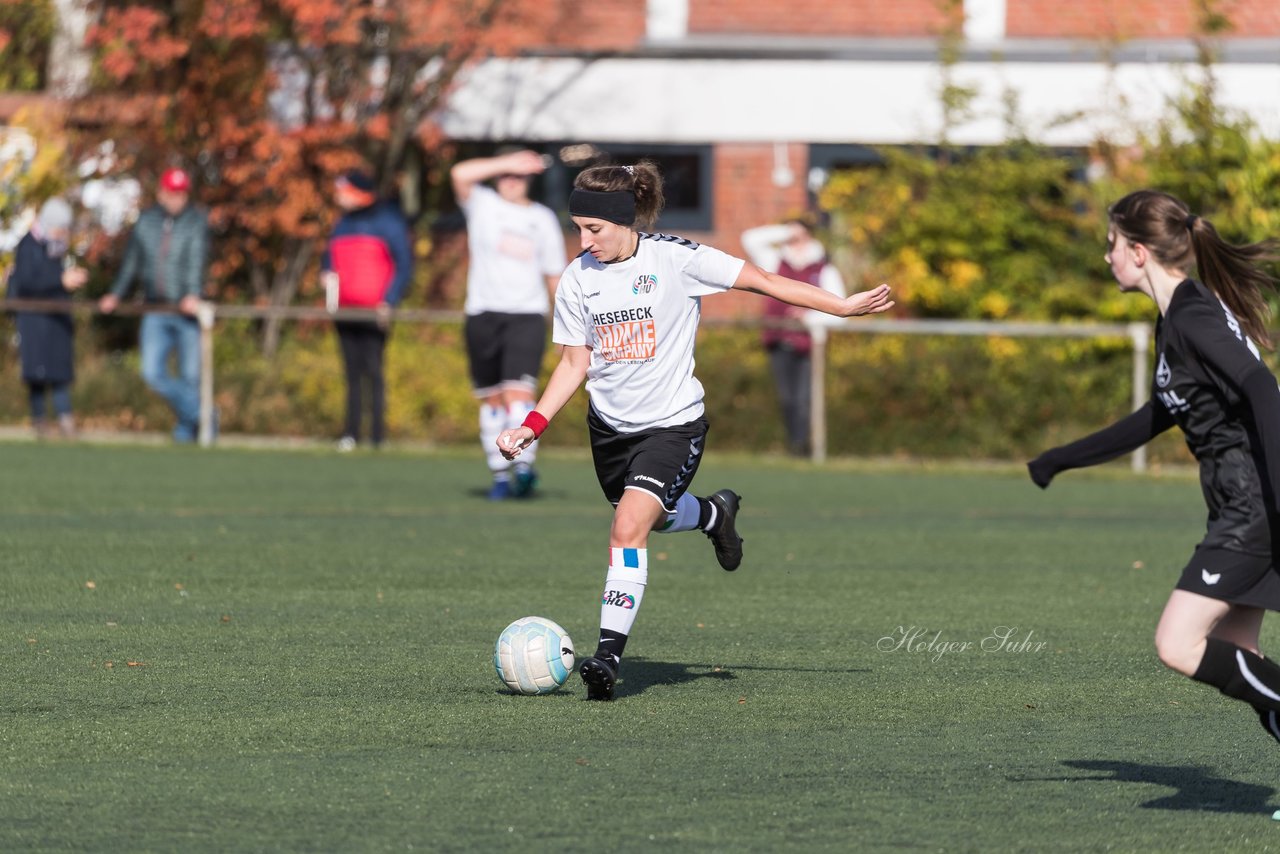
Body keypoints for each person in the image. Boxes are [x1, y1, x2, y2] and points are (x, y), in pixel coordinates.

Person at [497, 162, 894, 700]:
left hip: (673, 425)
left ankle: (608, 656)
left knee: (627, 529)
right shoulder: (577, 279)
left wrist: (840, 307)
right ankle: (713, 513)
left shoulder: (677, 258)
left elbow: (765, 280)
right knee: (652, 522)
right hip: (610, 430)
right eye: (578, 229)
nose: (584, 241)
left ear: (624, 220)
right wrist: (533, 424)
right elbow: (573, 364)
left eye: (594, 229)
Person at [1028, 189, 1280, 747]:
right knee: (1240, 654)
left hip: (1252, 510)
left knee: (1178, 644)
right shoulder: (1178, 319)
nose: (1106, 256)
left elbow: (1263, 387)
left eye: (1111, 243)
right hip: (1243, 507)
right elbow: (1159, 415)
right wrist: (1060, 460)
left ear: (1139, 252)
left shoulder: (1192, 315)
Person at [451, 148, 567, 499]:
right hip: (483, 312)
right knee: (492, 400)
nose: (511, 181)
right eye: (506, 175)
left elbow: (554, 275)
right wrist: (506, 162)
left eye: (518, 175)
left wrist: (566, 327)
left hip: (526, 314)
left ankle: (524, 466)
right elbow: (459, 173)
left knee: (519, 394)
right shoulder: (483, 204)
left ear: (529, 180)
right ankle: (499, 474)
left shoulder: (542, 218)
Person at [99, 167, 210, 443]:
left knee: (190, 378)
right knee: (152, 373)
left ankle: (187, 431)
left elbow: (197, 259)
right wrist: (116, 293)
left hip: (185, 311)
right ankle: (203, 416)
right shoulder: (146, 222)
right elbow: (131, 263)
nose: (177, 199)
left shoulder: (196, 222)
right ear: (161, 193)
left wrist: (193, 293)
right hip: (154, 309)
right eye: (172, 193)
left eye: (181, 194)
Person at [321, 169, 413, 451]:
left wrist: (390, 300)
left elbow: (404, 265)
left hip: (375, 311)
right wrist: (325, 274)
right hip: (344, 310)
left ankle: (376, 436)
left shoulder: (388, 221)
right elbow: (327, 259)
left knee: (373, 370)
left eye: (344, 190)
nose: (338, 196)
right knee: (351, 373)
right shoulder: (341, 224)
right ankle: (351, 433)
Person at [741, 216, 847, 456]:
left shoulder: (824, 269)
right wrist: (787, 231)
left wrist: (808, 317)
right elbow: (750, 239)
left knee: (804, 400)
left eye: (801, 235)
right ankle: (796, 446)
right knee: (787, 400)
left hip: (811, 346)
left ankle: (807, 448)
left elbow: (841, 311)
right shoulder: (775, 261)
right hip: (778, 342)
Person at [7, 198, 88, 438]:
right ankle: (40, 422)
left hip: (55, 321)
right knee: (38, 375)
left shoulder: (56, 247)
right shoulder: (28, 246)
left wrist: (67, 281)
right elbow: (27, 283)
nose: (63, 232)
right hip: (35, 322)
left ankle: (65, 421)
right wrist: (60, 281)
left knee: (59, 373)